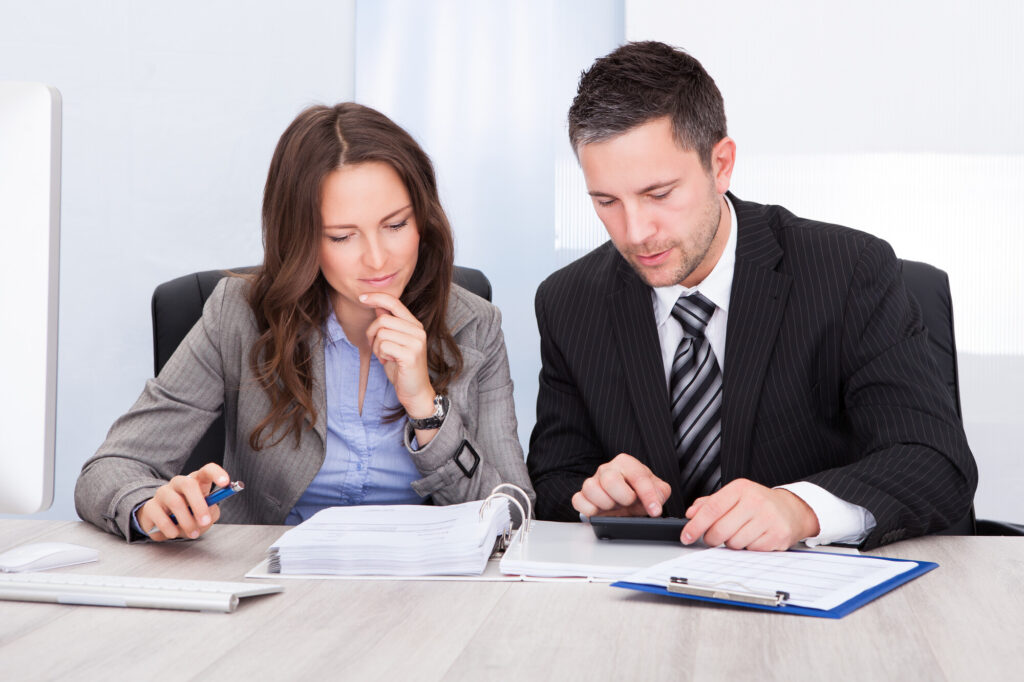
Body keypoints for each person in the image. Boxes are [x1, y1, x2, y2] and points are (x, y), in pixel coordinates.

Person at [527, 41, 976, 551]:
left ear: (721, 164)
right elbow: (556, 479)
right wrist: (599, 498)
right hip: (645, 602)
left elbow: (936, 461)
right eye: (606, 201)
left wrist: (802, 508)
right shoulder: (567, 302)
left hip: (813, 602)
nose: (635, 232)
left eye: (659, 194)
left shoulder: (849, 272)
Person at [76, 103, 533, 542]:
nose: (377, 258)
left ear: (423, 220)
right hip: (274, 590)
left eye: (395, 225)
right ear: (302, 238)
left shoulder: (475, 324)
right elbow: (109, 468)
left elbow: (513, 511)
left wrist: (426, 407)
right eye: (342, 236)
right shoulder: (238, 314)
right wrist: (150, 505)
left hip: (424, 594)